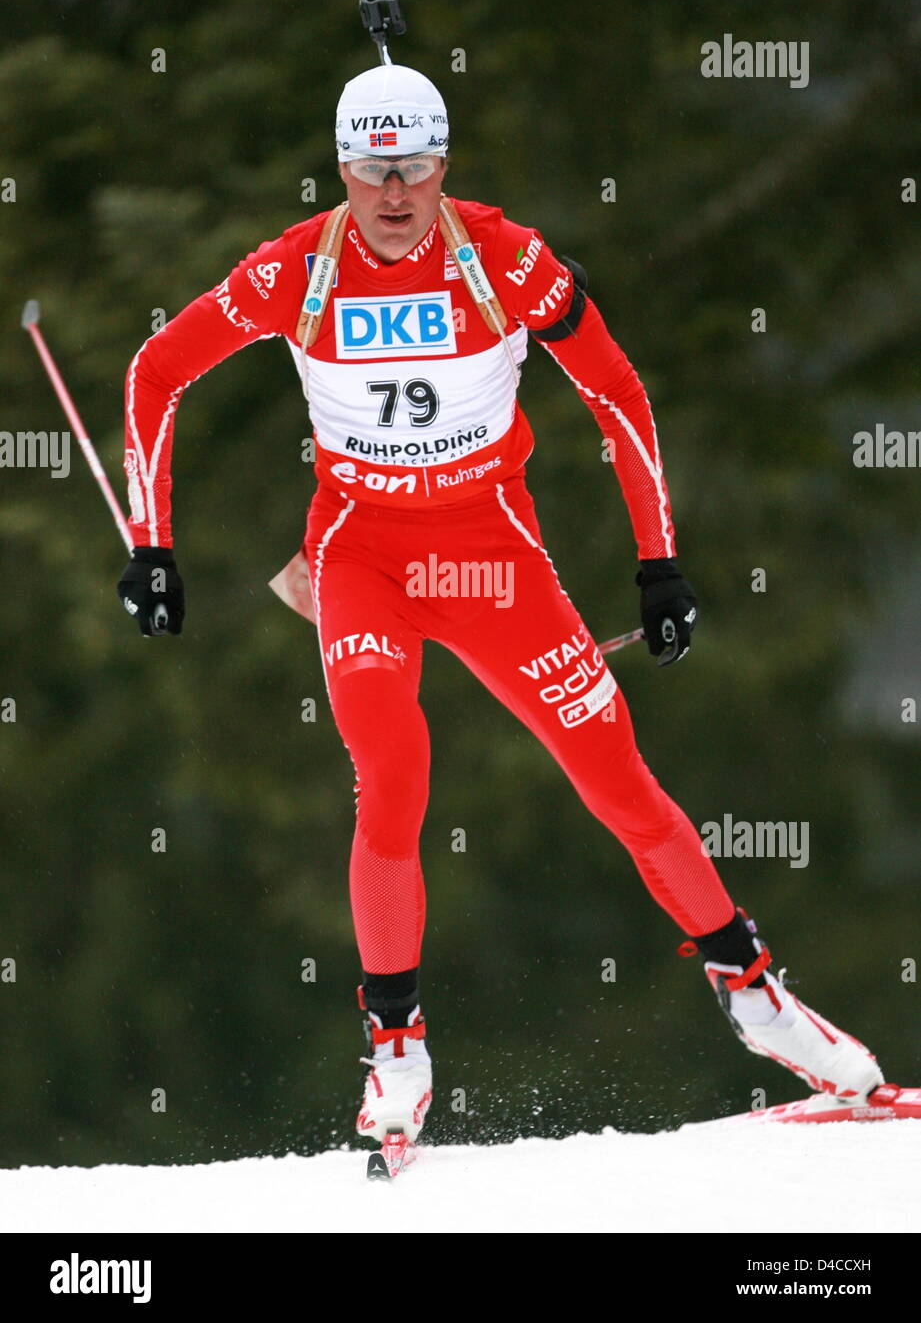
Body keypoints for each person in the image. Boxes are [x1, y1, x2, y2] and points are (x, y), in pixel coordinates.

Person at [117, 62, 882, 1147]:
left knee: (617, 776)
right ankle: (396, 1050)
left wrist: (657, 564)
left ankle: (756, 994)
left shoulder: (505, 259)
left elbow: (616, 391)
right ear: (341, 169)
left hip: (492, 563)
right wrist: (154, 547)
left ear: (445, 164)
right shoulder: (297, 270)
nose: (394, 193)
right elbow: (157, 370)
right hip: (363, 556)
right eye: (373, 169)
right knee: (391, 765)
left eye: (417, 167)